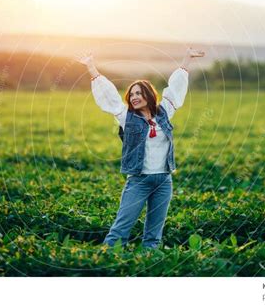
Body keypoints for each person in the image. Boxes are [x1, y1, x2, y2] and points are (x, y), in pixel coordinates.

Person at [78, 47, 205, 249]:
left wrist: (187, 59)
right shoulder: (125, 117)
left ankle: (147, 267)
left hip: (164, 180)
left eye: (139, 93)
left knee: (154, 237)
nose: (134, 97)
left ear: (148, 94)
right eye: (132, 94)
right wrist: (92, 68)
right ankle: (103, 262)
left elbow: (176, 89)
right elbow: (109, 96)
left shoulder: (164, 112)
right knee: (120, 231)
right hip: (139, 180)